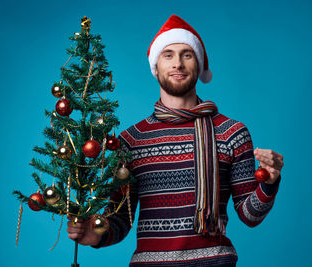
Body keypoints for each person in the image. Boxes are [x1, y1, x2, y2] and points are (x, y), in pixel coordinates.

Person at [67, 14, 284, 266]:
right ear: (156, 67)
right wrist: (95, 234)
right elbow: (120, 219)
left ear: (199, 65)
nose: (178, 64)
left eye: (187, 54)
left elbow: (250, 215)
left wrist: (269, 181)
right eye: (168, 54)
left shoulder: (231, 133)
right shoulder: (131, 140)